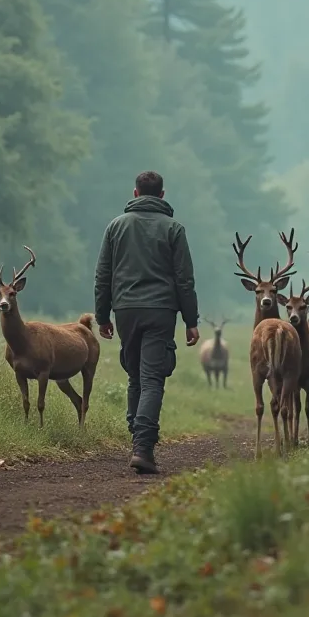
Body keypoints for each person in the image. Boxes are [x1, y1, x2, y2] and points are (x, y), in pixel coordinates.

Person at [95, 171, 200, 474]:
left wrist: (102, 316)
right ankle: (143, 447)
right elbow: (184, 279)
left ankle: (137, 438)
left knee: (135, 377)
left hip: (125, 310)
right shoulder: (174, 229)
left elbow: (103, 275)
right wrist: (191, 321)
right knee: (152, 379)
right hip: (160, 311)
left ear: (136, 193)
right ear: (162, 195)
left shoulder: (115, 226)